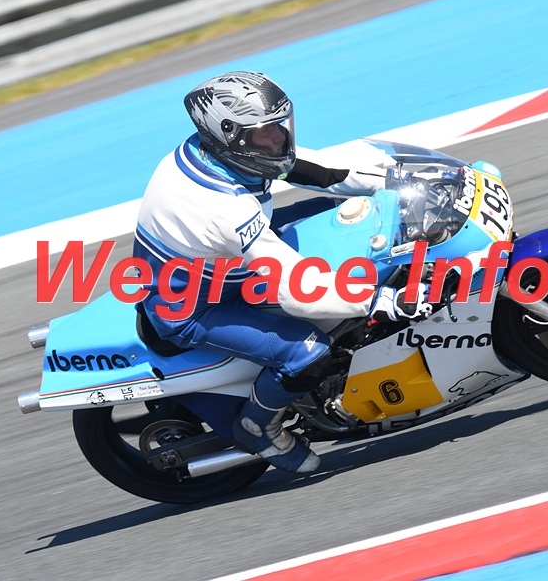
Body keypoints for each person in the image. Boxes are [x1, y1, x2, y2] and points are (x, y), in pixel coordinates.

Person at [134, 71, 430, 474]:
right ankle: (257, 427)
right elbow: (296, 289)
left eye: (280, 126)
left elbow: (326, 173)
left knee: (341, 211)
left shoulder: (222, 153)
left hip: (224, 262)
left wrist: (400, 183)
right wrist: (377, 300)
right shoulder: (224, 207)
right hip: (194, 307)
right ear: (229, 134)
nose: (278, 139)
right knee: (308, 353)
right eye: (265, 133)